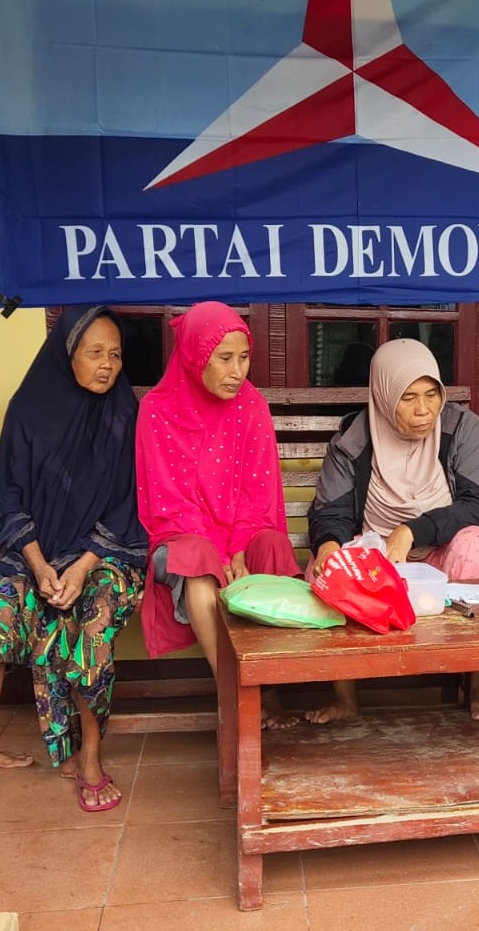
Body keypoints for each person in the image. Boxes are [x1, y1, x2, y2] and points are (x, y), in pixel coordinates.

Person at [0, 307, 148, 825]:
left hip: (105, 555)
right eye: (95, 353)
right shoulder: (27, 411)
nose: (107, 365)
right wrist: (40, 565)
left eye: (116, 355)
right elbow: (11, 498)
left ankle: (90, 757)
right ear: (67, 353)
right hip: (33, 556)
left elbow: (129, 503)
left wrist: (82, 566)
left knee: (91, 629)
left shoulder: (124, 414)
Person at [307, 338, 479, 723]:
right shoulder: (352, 441)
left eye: (432, 395)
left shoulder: (461, 428)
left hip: (441, 553)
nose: (424, 410)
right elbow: (330, 511)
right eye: (408, 398)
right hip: (378, 560)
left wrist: (414, 529)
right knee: (326, 565)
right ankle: (345, 696)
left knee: (477, 543)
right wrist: (329, 544)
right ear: (384, 398)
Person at [136, 301, 299, 725]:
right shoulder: (157, 410)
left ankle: (271, 691)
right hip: (180, 536)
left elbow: (257, 492)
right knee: (197, 559)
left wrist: (241, 545)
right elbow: (168, 502)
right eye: (224, 358)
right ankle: (235, 695)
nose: (237, 371)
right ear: (195, 356)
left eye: (244, 357)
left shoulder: (251, 405)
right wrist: (221, 554)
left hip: (241, 532)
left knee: (273, 546)